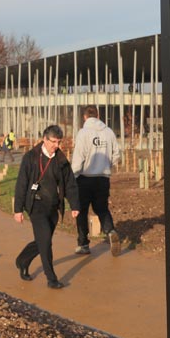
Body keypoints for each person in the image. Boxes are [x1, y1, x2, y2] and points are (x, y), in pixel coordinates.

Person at [13, 125, 80, 289]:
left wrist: (74, 205)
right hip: (35, 205)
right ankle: (51, 278)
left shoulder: (61, 160)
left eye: (59, 142)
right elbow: (21, 183)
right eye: (53, 142)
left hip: (53, 206)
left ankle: (23, 260)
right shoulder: (31, 157)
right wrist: (18, 209)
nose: (56, 145)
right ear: (44, 139)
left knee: (43, 240)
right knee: (46, 243)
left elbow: (70, 184)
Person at [71, 105, 121, 256]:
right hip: (102, 178)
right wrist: (106, 166)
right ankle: (110, 230)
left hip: (84, 179)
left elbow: (79, 158)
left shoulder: (83, 133)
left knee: (81, 211)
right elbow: (116, 155)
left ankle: (83, 244)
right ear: (98, 116)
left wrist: (73, 176)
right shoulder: (109, 132)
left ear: (85, 117)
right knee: (102, 208)